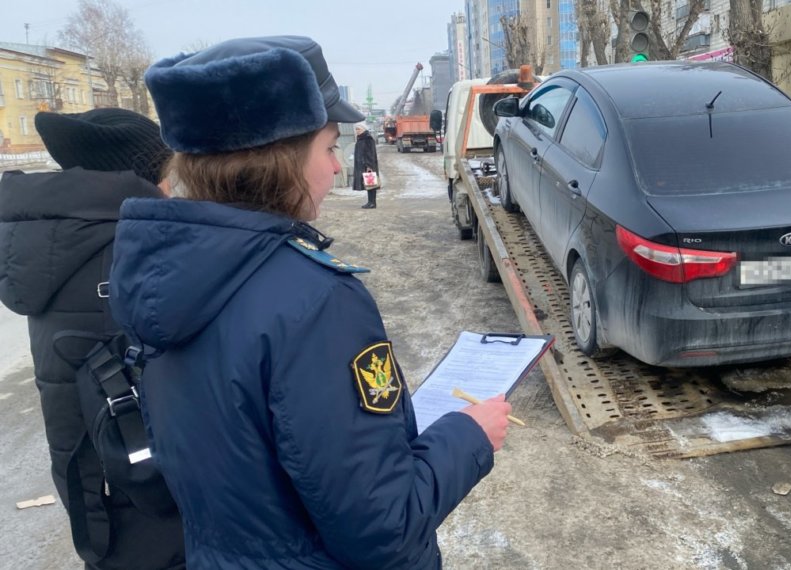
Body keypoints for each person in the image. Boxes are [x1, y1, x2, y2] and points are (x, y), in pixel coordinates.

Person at [112, 36, 512, 568]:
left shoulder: (166, 277)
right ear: (279, 161)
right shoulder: (313, 302)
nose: (335, 167)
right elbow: (382, 528)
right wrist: (469, 436)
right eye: (327, 147)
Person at [0, 109, 185, 568]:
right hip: (150, 494)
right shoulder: (131, 247)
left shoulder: (56, 240)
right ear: (143, 176)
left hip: (95, 488)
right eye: (169, 174)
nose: (174, 186)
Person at [353, 122, 380, 208]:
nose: (357, 131)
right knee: (369, 183)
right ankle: (370, 202)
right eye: (356, 129)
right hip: (363, 165)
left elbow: (370, 153)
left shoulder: (368, 138)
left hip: (368, 165)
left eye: (359, 129)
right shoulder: (361, 138)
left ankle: (372, 203)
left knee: (371, 184)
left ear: (364, 129)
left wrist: (369, 166)